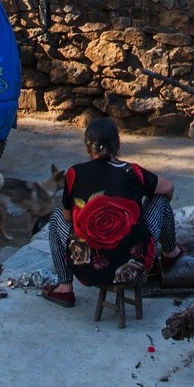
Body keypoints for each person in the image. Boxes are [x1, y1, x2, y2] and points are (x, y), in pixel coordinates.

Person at [40, 115, 178, 308]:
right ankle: (171, 253)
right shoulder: (132, 171)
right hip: (135, 264)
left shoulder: (74, 173)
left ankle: (65, 288)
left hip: (87, 266)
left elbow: (67, 217)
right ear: (118, 144)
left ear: (88, 148)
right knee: (160, 200)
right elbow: (168, 188)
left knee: (56, 215)